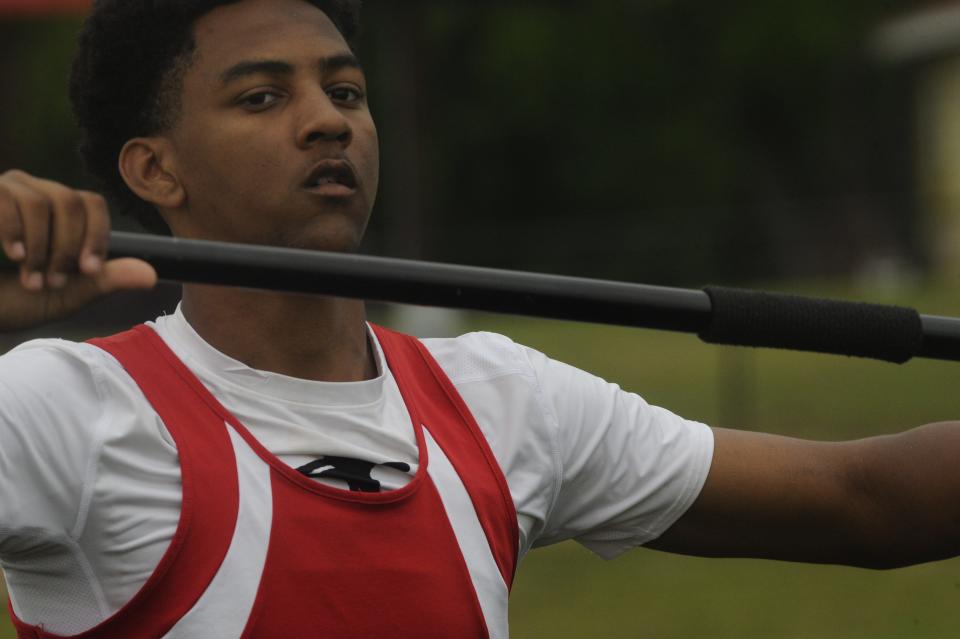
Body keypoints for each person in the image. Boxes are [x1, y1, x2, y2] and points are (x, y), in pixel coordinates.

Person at [0, 1, 956, 637]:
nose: (329, 121)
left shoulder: (500, 398)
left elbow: (862, 499)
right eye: (262, 97)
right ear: (154, 170)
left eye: (346, 91)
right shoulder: (68, 410)